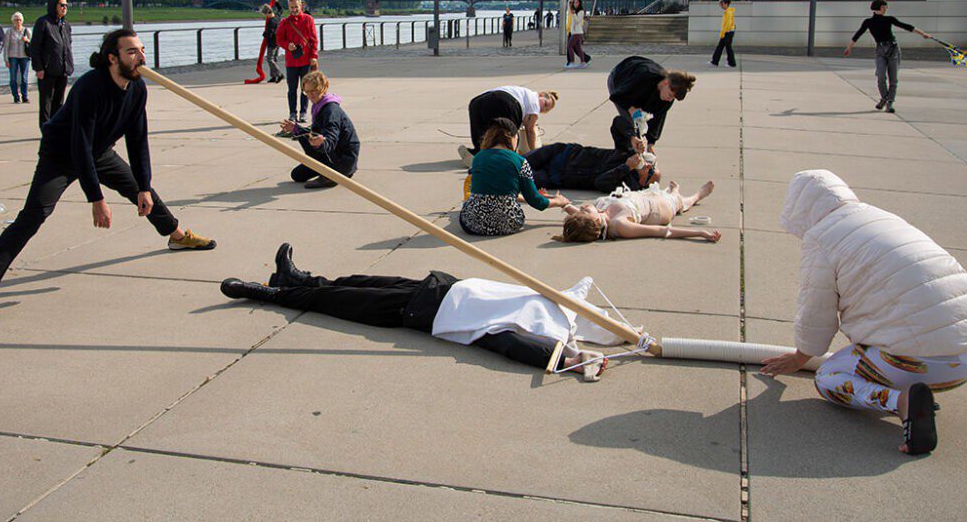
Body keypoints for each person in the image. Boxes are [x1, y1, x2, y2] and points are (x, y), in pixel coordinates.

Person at [0, 29, 217, 325]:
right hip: (61, 153)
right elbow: (79, 144)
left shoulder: (137, 88)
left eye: (142, 50)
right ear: (112, 58)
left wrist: (143, 186)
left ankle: (177, 236)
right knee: (34, 214)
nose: (141, 57)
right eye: (132, 51)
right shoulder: (90, 86)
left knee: (143, 192)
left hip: (100, 151)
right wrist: (96, 198)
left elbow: (137, 140)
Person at [761, 170, 967, 456]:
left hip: (923, 363)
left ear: (799, 208)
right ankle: (917, 390)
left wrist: (800, 358)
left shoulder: (821, 238)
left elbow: (816, 311)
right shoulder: (881, 218)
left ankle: (901, 401)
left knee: (827, 377)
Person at [220, 243, 618, 380]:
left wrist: (570, 360)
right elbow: (581, 292)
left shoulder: (539, 330)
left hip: (418, 311)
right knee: (354, 280)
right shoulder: (554, 304)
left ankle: (267, 293)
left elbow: (514, 346)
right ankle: (295, 278)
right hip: (436, 285)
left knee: (337, 300)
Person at [459, 118, 570, 236]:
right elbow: (537, 202)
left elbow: (492, 191)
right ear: (513, 137)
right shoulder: (520, 162)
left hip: (473, 224)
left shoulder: (478, 158)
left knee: (467, 206)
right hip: (507, 223)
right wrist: (559, 201)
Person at [526, 116, 659, 194]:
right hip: (563, 153)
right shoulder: (628, 153)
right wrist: (632, 137)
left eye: (650, 171)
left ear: (643, 183)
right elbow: (618, 121)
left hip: (556, 177)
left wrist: (627, 167)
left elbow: (600, 183)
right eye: (651, 164)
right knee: (518, 161)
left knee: (519, 177)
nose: (648, 166)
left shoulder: (627, 186)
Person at [553, 181, 719, 243]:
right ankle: (695, 196)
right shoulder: (620, 225)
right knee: (679, 201)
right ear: (596, 221)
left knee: (666, 193)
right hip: (661, 209)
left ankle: (673, 193)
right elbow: (661, 231)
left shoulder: (596, 216)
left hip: (642, 197)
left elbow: (580, 218)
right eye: (584, 211)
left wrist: (562, 204)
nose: (582, 208)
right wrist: (700, 233)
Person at [843, 0, 930, 113]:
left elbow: (905, 26)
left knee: (893, 78)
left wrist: (923, 33)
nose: (886, 9)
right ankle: (884, 98)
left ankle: (890, 103)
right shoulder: (868, 22)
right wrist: (849, 47)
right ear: (879, 7)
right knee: (881, 76)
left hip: (893, 49)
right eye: (884, 7)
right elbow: (858, 34)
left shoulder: (889, 19)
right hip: (880, 50)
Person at [279, 70, 360, 189]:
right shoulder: (319, 106)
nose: (310, 95)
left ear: (323, 88)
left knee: (308, 172)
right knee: (297, 175)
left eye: (314, 91)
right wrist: (296, 129)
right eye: (307, 92)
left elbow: (331, 135)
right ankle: (326, 169)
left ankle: (335, 174)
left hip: (342, 159)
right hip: (331, 154)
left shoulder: (331, 110)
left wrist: (321, 143)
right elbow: (314, 131)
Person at [607, 56, 695, 151]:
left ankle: (635, 150)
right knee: (632, 124)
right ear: (666, 82)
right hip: (620, 77)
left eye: (673, 98)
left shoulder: (670, 94)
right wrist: (631, 109)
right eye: (670, 95)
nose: (670, 100)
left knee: (641, 120)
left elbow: (658, 118)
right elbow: (617, 96)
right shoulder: (644, 76)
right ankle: (627, 152)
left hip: (641, 90)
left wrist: (651, 143)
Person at [459, 85, 558, 164]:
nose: (542, 109)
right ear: (540, 95)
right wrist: (535, 153)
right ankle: (502, 156)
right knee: (507, 134)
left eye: (545, 110)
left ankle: (476, 153)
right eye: (545, 104)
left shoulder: (523, 93)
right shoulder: (534, 101)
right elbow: (530, 130)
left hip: (478, 101)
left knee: (484, 131)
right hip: (505, 102)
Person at [30, 0, 74, 127]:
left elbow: (67, 45)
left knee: (59, 101)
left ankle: (57, 127)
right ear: (54, 6)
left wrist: (69, 65)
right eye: (62, 5)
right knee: (46, 102)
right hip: (47, 70)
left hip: (63, 69)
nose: (64, 8)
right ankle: (46, 128)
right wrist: (38, 68)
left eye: (66, 5)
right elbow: (35, 47)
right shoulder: (43, 22)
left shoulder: (66, 25)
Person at [276, 0, 318, 130]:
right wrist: (287, 45)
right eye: (291, 7)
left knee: (306, 88)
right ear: (289, 7)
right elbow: (279, 39)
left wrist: (314, 56)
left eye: (296, 7)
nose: (294, 9)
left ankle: (303, 112)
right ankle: (292, 113)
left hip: (306, 60)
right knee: (292, 89)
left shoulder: (308, 19)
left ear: (301, 6)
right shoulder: (285, 22)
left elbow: (313, 39)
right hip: (291, 61)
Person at [5, 11, 32, 103]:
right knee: (13, 78)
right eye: (16, 20)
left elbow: (34, 44)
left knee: (24, 78)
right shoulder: (9, 31)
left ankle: (25, 96)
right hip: (13, 57)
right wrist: (6, 59)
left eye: (20, 20)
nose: (18, 21)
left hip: (25, 56)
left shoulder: (27, 31)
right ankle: (16, 96)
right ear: (13, 21)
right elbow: (6, 46)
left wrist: (27, 40)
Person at [710, 0, 736, 68]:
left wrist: (724, 33)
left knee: (727, 47)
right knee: (721, 47)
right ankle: (715, 61)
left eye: (722, 4)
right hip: (727, 32)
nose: (721, 6)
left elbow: (728, 24)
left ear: (726, 4)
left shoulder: (728, 13)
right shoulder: (728, 12)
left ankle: (731, 63)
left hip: (728, 32)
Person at [261, 0, 282, 83]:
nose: (265, 16)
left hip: (272, 43)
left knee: (270, 59)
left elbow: (269, 34)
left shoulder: (271, 21)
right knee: (274, 59)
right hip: (278, 41)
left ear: (267, 13)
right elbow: (280, 9)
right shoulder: (277, 16)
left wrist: (264, 34)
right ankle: (274, 76)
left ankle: (279, 74)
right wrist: (276, 2)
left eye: (265, 14)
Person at [565, 0, 589, 69]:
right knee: (578, 48)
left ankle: (572, 62)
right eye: (574, 2)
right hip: (575, 32)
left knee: (569, 46)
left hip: (577, 33)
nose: (575, 4)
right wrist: (569, 4)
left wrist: (574, 14)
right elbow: (570, 12)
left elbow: (578, 21)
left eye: (577, 2)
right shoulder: (575, 11)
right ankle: (583, 62)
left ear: (580, 3)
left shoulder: (581, 12)